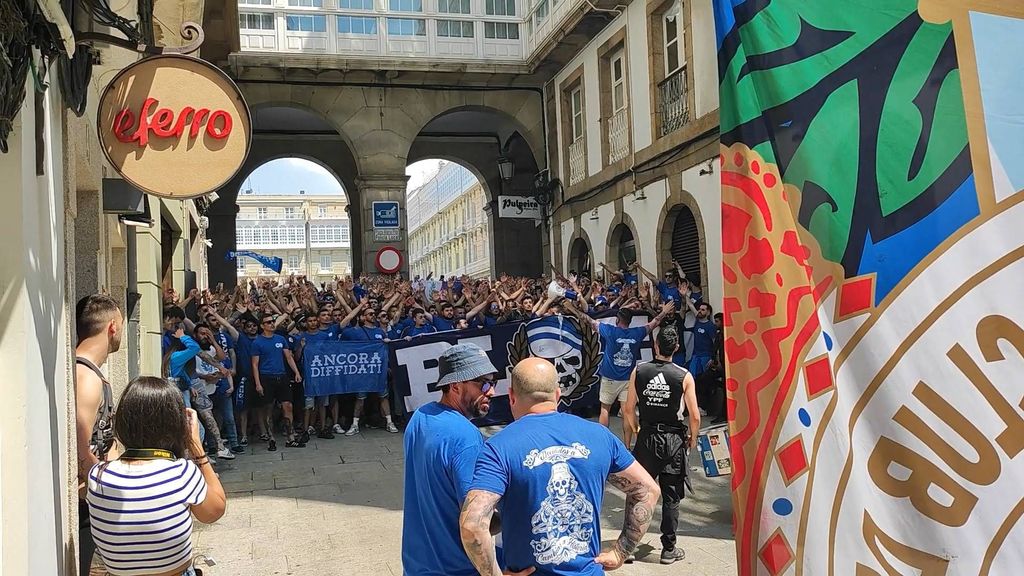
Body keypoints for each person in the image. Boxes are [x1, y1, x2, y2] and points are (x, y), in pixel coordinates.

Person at [460, 358, 661, 576]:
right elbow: (648, 490)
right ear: (557, 394)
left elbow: (472, 524)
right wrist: (621, 551)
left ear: (511, 396)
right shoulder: (600, 436)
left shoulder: (498, 448)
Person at [86, 377, 226, 576]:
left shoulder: (98, 476)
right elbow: (214, 512)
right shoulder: (182, 473)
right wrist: (197, 448)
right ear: (175, 424)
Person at [402, 344, 507, 576]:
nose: (492, 391)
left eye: (494, 383)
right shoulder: (466, 437)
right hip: (459, 568)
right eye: (484, 383)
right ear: (455, 385)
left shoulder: (420, 417)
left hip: (418, 565)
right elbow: (477, 524)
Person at [622, 325, 699, 564]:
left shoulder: (639, 370)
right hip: (673, 440)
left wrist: (632, 435)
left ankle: (629, 546)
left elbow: (628, 408)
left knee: (638, 492)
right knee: (671, 495)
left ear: (655, 346)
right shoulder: (684, 375)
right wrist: (692, 438)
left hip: (646, 438)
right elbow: (694, 415)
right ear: (676, 347)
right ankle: (668, 548)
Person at [75, 294, 124, 576]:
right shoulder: (87, 378)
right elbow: (81, 448)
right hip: (87, 503)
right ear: (112, 328)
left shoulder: (89, 373)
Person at [581, 302, 674, 446]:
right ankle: (627, 445)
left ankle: (602, 444)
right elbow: (654, 323)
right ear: (630, 322)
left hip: (609, 378)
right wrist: (664, 312)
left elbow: (588, 320)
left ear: (618, 320)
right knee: (627, 412)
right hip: (627, 379)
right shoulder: (637, 333)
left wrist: (572, 309)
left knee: (605, 409)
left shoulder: (610, 331)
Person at [340, 303, 398, 435]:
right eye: (370, 314)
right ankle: (355, 424)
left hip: (378, 370)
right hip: (363, 371)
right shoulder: (354, 332)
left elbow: (387, 348)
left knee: (383, 396)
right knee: (360, 398)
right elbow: (342, 340)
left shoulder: (380, 332)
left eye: (374, 314)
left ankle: (389, 422)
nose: (373, 316)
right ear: (363, 317)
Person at [252, 314, 304, 451]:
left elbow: (289, 357)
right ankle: (271, 438)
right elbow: (255, 364)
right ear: (262, 326)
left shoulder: (281, 339)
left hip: (282, 376)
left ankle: (290, 437)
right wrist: (258, 383)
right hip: (266, 377)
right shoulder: (257, 342)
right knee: (268, 408)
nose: (271, 324)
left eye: (272, 321)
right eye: (268, 322)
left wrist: (296, 372)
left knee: (288, 406)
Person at [686, 302, 717, 379]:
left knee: (705, 379)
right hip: (696, 355)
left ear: (708, 312)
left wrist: (713, 358)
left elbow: (715, 342)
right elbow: (690, 305)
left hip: (706, 356)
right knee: (692, 376)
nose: (699, 311)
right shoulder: (697, 321)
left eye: (703, 310)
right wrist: (684, 295)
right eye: (699, 309)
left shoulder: (710, 326)